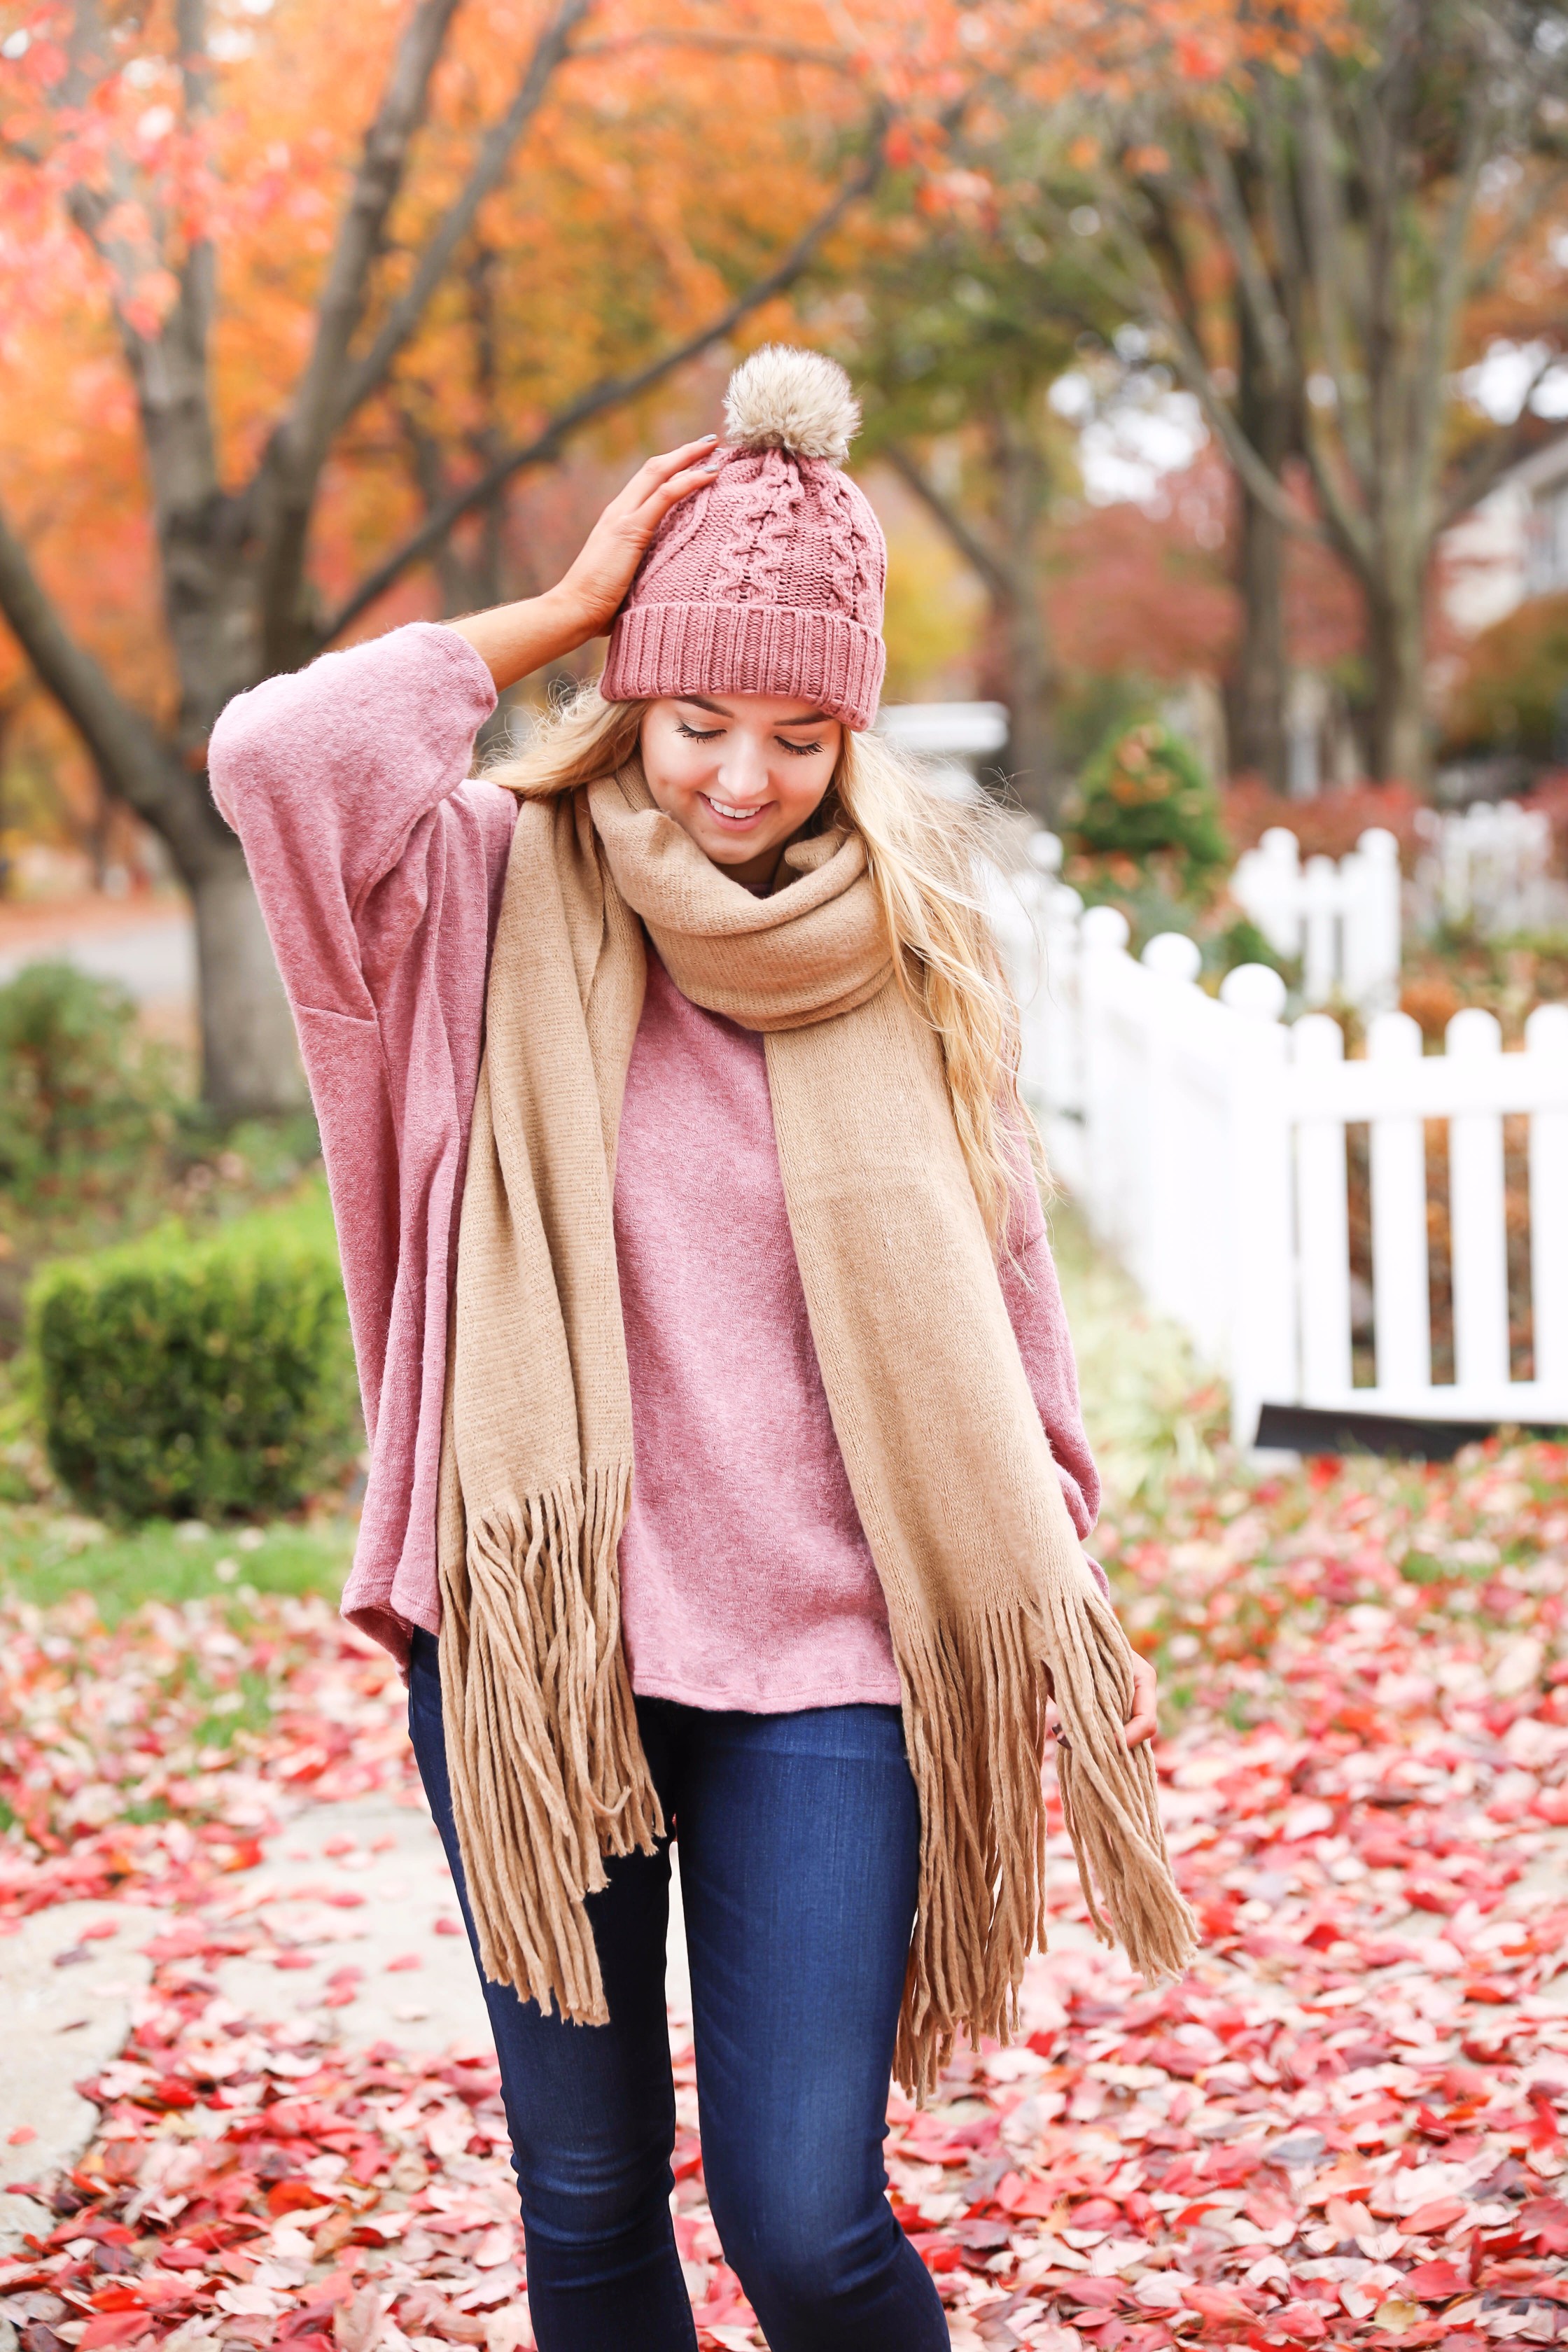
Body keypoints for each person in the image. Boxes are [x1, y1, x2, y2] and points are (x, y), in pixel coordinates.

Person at [211, 346, 1192, 2352]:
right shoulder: (478, 895)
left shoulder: (911, 954)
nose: (739, 777)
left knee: (807, 2221)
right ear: (629, 697)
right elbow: (275, 756)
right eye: (692, 716)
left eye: (797, 733)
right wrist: (567, 607)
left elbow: (1008, 1302)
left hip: (827, 1665)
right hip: (541, 1645)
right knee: (582, 2203)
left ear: (857, 736)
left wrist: (1034, 1554)